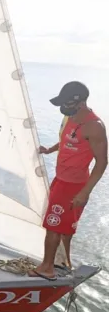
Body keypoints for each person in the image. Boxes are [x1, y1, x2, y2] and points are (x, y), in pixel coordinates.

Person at [29, 81, 107, 281]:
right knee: (65, 225)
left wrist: (84, 192)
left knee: (53, 225)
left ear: (79, 102)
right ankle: (65, 261)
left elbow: (102, 162)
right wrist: (50, 150)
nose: (63, 108)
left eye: (66, 103)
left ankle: (47, 268)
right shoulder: (69, 117)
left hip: (74, 186)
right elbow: (67, 139)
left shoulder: (94, 127)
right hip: (60, 179)